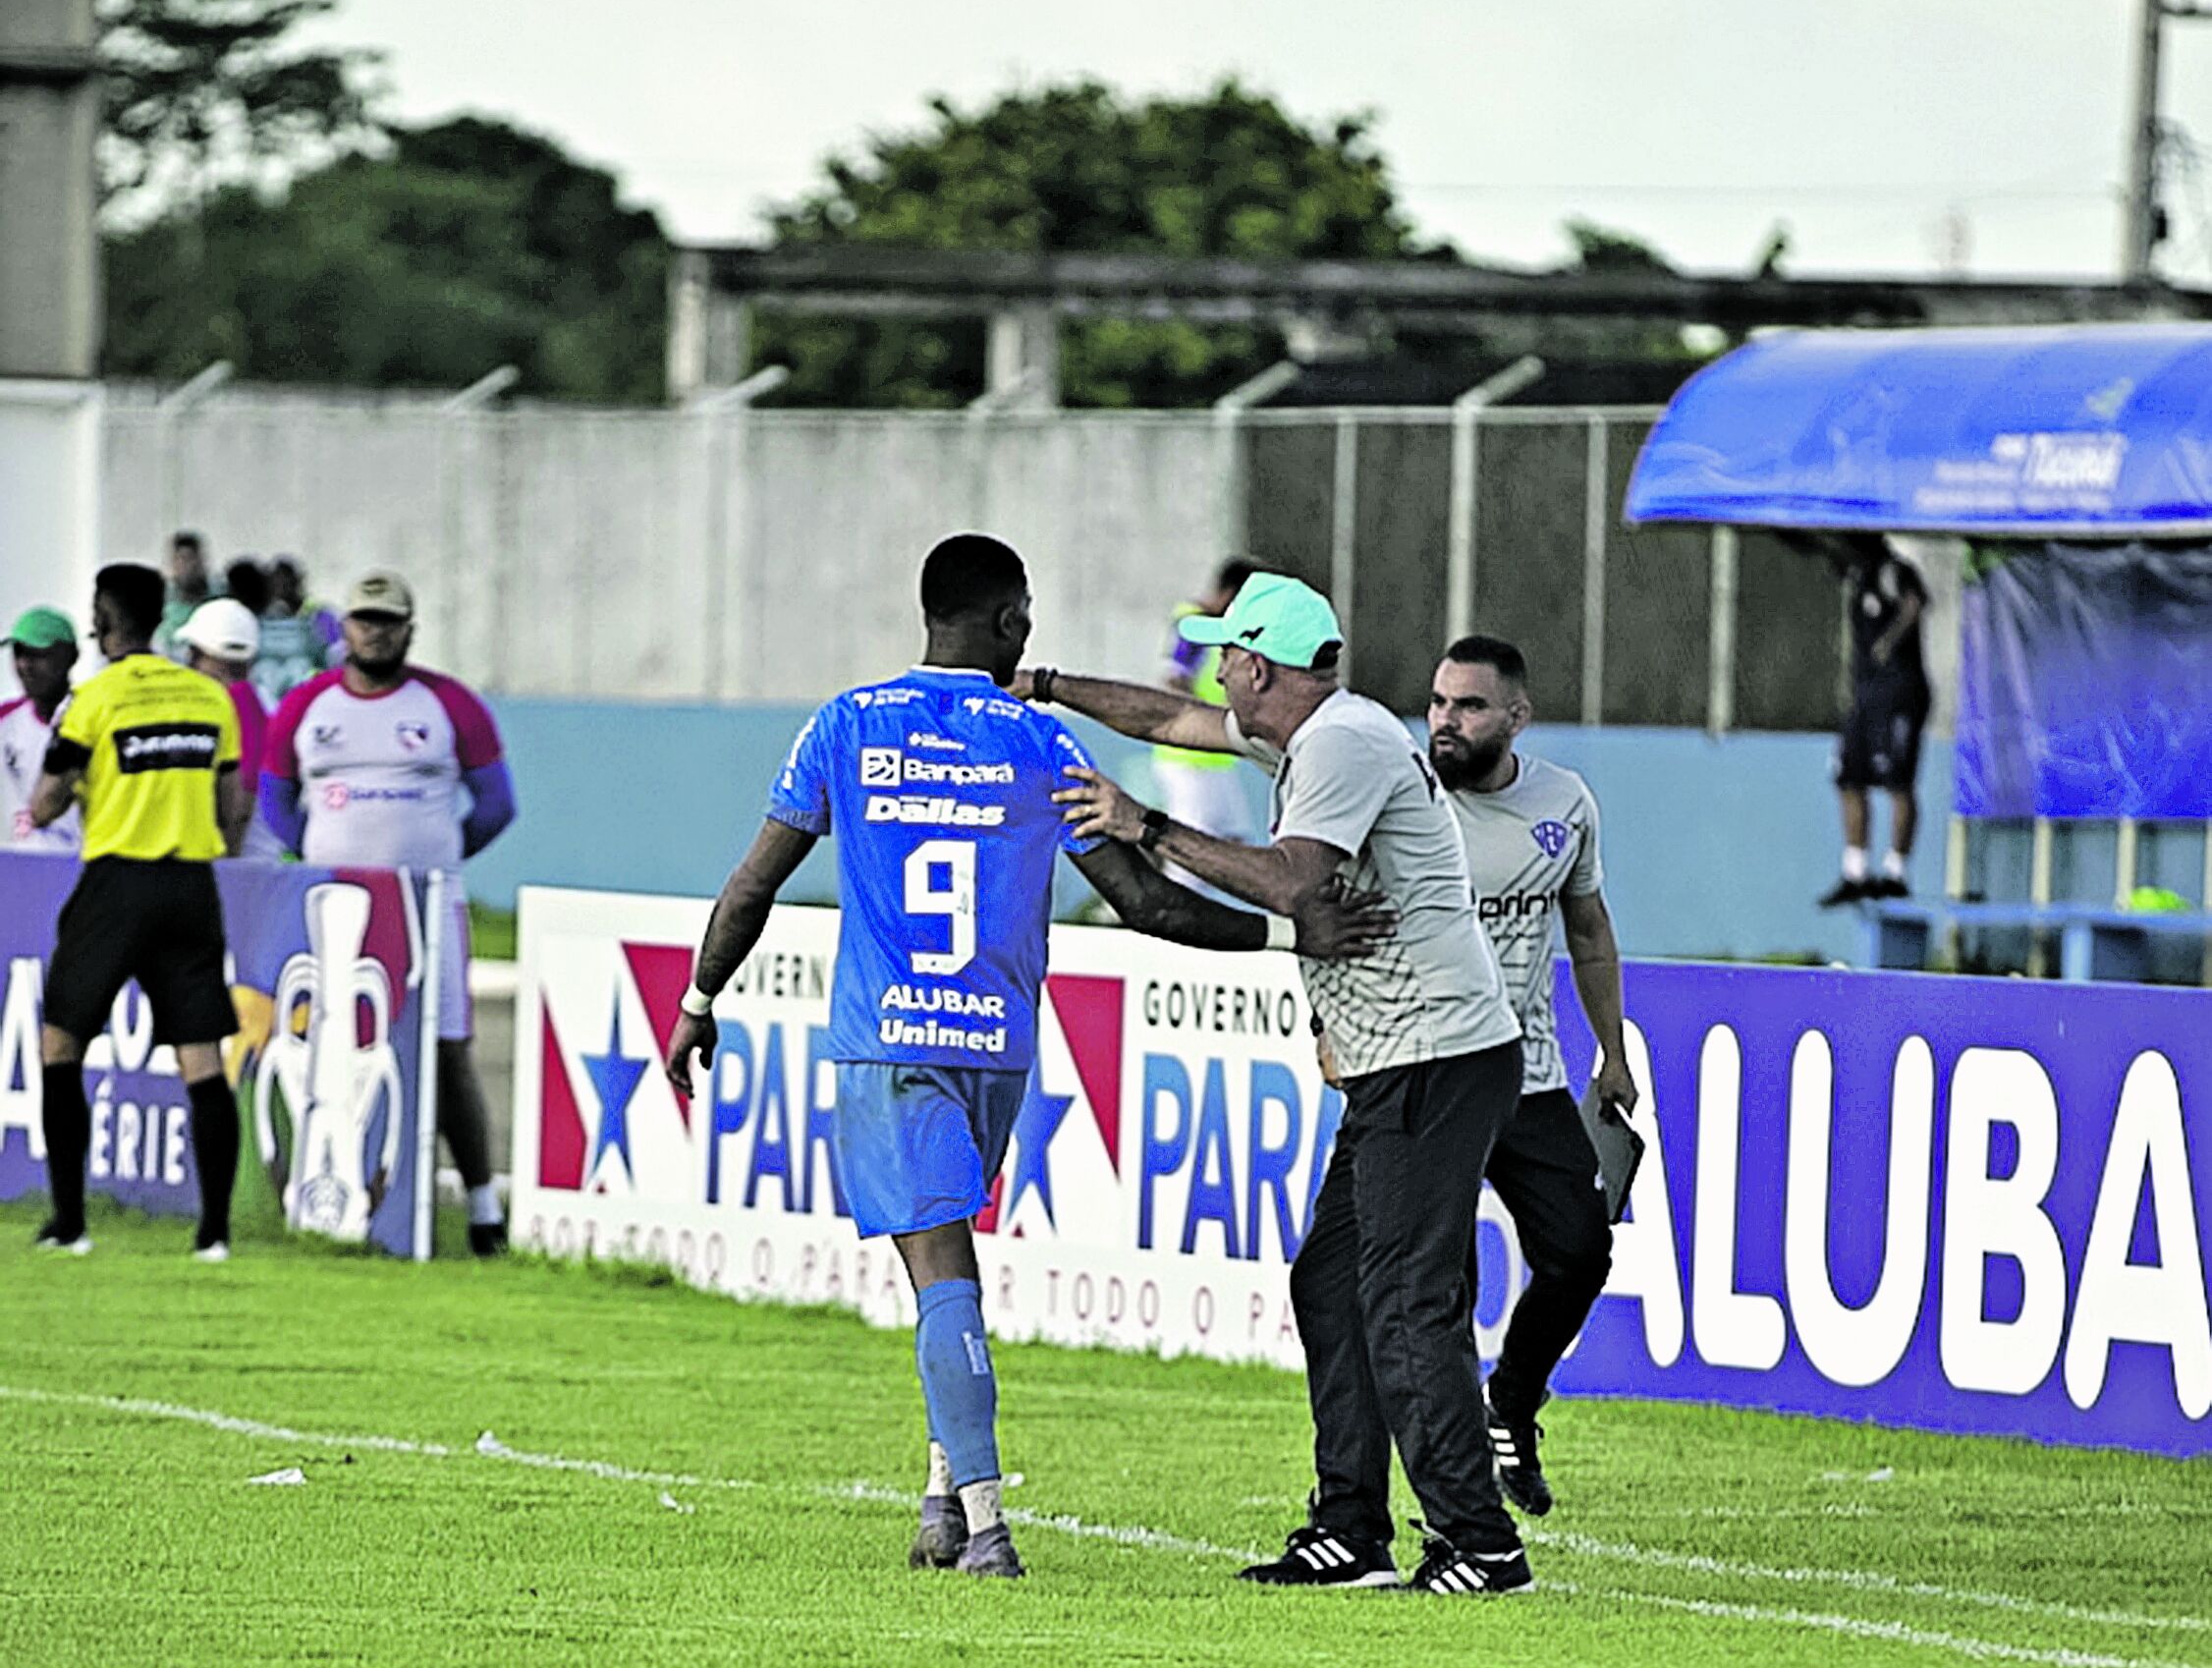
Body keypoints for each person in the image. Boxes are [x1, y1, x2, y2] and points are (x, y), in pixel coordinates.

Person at [659, 534, 1387, 1583]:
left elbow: (752, 884)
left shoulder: (844, 725)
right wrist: (1282, 936)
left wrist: (697, 997)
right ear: (1009, 624)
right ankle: (940, 1506)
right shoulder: (1038, 746)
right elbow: (1145, 902)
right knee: (946, 1265)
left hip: (888, 1045)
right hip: (995, 1047)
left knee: (940, 1278)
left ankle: (987, 1526)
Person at [1033, 572, 1533, 1595]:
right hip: (1404, 1056)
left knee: (1401, 1297)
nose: (1213, 674)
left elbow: (1294, 882)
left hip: (1432, 1056)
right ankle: (1352, 1528)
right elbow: (1166, 713)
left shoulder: (1340, 744)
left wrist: (1145, 827)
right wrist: (1039, 683)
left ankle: (1480, 1545)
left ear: (1258, 666)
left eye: (1224, 655)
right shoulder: (1321, 729)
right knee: (1334, 1283)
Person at [1427, 635, 1634, 1516]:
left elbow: (1587, 929)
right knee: (1429, 1277)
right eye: (1438, 701)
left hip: (1529, 1073)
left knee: (1583, 1248)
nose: (1446, 719)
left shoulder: (1566, 803)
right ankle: (1438, 1477)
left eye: (1468, 706)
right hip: (1425, 1069)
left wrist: (1614, 1051)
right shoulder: (1406, 797)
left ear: (1516, 717)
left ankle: (1512, 1396)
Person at [259, 573, 520, 1255]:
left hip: (427, 905)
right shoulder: (305, 706)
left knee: (447, 1049)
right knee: (326, 1045)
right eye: (364, 619)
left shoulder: (447, 704)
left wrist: (438, 863)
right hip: (332, 907)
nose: (376, 631)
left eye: (389, 621)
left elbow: (495, 803)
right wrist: (316, 856)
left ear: (410, 629)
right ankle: (320, 1191)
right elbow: (273, 798)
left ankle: (483, 1206)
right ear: (343, 627)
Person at [28, 563, 249, 1259]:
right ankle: (213, 1234)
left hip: (116, 883)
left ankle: (70, 1224)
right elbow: (233, 803)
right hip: (190, 884)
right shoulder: (210, 698)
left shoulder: (94, 699)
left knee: (61, 1043)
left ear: (101, 616)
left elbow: (43, 803)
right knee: (202, 1058)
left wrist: (86, 790)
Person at [1814, 533, 1930, 907]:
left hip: (1899, 695)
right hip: (1865, 697)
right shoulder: (1856, 575)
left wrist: (1890, 641)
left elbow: (1914, 602)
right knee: (1848, 776)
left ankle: (1895, 872)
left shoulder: (1894, 571)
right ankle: (1855, 871)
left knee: (1898, 781)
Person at [1151, 557, 1258, 860]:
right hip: (1188, 761)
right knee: (1189, 858)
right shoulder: (1194, 625)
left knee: (1238, 844)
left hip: (1216, 760)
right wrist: (1205, 717)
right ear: (1229, 594)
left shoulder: (1225, 629)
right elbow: (1174, 678)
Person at [176, 599, 278, 860]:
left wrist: (224, 865)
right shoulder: (262, 703)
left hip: (238, 863)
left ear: (197, 654)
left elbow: (240, 807)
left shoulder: (239, 705)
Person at [3, 607, 83, 854]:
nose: (25, 665)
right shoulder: (6, 721)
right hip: (22, 864)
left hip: (84, 863)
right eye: (19, 653)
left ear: (70, 656)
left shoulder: (94, 715)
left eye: (38, 654)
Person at [254, 555, 341, 699]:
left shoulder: (320, 615)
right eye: (275, 585)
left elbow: (332, 654)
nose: (280, 590)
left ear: (298, 583)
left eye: (285, 584)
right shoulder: (260, 618)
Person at [153, 531, 218, 664]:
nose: (187, 567)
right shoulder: (162, 600)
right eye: (180, 559)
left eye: (190, 559)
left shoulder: (217, 599)